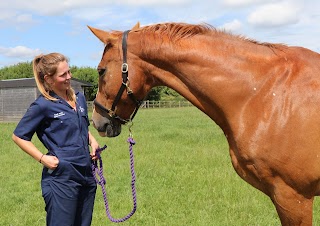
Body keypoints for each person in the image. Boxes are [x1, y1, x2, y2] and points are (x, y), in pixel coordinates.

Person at [12, 52, 100, 226]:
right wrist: (43, 158)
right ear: (49, 79)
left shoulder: (80, 98)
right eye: (63, 74)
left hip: (86, 173)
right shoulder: (42, 105)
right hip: (62, 178)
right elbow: (18, 136)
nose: (69, 77)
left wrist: (92, 140)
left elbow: (79, 127)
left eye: (69, 71)